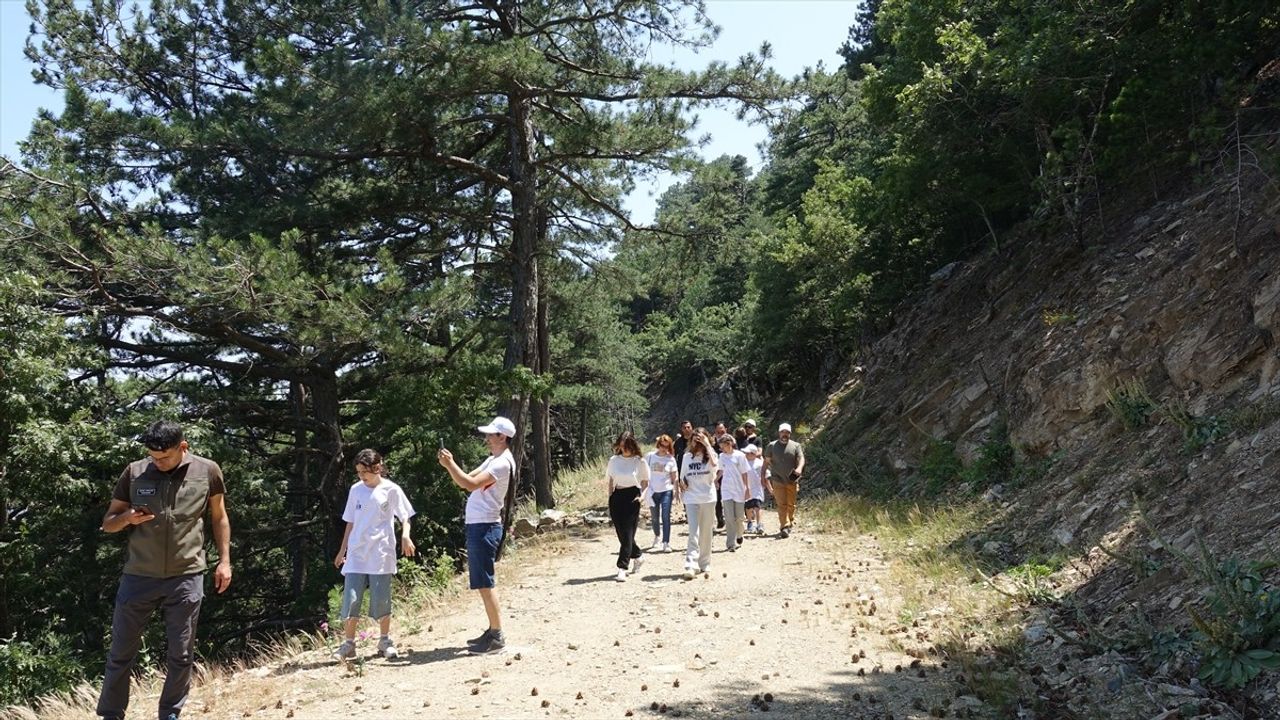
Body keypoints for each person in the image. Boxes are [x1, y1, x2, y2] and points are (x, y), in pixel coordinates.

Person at [97, 420, 232, 720]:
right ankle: (110, 714)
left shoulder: (208, 471)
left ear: (183, 447)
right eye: (152, 457)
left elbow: (219, 517)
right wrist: (127, 518)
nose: (156, 463)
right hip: (138, 577)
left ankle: (170, 714)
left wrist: (224, 561)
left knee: (181, 654)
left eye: (164, 457)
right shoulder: (134, 472)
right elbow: (108, 523)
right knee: (120, 653)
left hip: (186, 575)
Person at [438, 416, 516, 654]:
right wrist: (451, 467)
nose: (487, 438)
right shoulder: (494, 459)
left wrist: (450, 465)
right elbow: (466, 481)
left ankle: (497, 635)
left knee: (485, 583)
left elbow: (470, 484)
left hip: (485, 526)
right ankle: (493, 631)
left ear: (502, 437)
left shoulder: (501, 463)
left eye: (491, 435)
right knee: (483, 582)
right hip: (480, 525)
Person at [333, 449, 416, 661]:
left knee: (381, 598)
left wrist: (406, 536)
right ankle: (349, 644)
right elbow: (350, 521)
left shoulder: (391, 490)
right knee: (351, 598)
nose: (362, 476)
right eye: (359, 472)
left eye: (365, 472)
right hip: (357, 553)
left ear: (377, 468)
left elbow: (405, 516)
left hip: (381, 551)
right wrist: (342, 550)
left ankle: (385, 640)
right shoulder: (355, 490)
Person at [605, 431, 651, 581]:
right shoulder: (613, 460)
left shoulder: (639, 461)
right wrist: (610, 497)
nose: (624, 449)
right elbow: (611, 479)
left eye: (626, 446)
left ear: (632, 446)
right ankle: (638, 555)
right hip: (617, 497)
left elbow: (645, 481)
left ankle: (622, 567)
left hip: (632, 496)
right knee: (622, 533)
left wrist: (642, 496)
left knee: (628, 532)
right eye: (622, 446)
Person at [679, 431, 719, 580]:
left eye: (701, 439)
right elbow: (682, 477)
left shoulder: (711, 455)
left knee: (706, 532)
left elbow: (715, 465)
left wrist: (707, 444)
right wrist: (682, 485)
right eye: (696, 439)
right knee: (693, 531)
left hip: (708, 498)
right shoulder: (686, 457)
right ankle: (691, 564)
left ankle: (705, 562)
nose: (698, 442)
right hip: (691, 498)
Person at [763, 422, 806, 538]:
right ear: (779, 433)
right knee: (781, 504)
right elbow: (766, 462)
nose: (784, 434)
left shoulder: (796, 446)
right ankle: (784, 526)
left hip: (792, 479)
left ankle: (790, 520)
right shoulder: (771, 446)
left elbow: (801, 458)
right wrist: (762, 476)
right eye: (782, 432)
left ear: (790, 434)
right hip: (777, 479)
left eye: (787, 432)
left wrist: (799, 468)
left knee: (791, 504)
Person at [646, 435, 679, 551]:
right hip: (653, 491)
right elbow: (644, 473)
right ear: (658, 445)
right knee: (654, 517)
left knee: (666, 516)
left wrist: (676, 491)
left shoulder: (670, 459)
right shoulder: (650, 456)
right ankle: (657, 536)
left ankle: (666, 542)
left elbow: (674, 477)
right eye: (661, 445)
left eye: (666, 446)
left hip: (666, 490)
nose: (663, 448)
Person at [717, 435, 751, 551]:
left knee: (739, 517)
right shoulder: (721, 456)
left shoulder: (740, 455)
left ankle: (740, 534)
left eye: (723, 447)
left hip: (739, 489)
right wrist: (715, 480)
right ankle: (730, 543)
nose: (722, 449)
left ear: (729, 444)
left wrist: (747, 487)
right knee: (729, 517)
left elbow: (744, 472)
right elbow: (721, 470)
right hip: (726, 489)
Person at [743, 444, 766, 535]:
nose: (746, 454)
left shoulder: (759, 463)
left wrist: (766, 484)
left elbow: (765, 474)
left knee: (757, 506)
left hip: (757, 488)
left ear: (753, 454)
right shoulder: (743, 462)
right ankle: (749, 522)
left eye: (748, 453)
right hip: (746, 488)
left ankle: (759, 524)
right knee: (748, 507)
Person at [712, 421, 729, 529]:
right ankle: (720, 519)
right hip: (716, 474)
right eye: (718, 432)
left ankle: (729, 519)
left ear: (726, 430)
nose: (720, 434)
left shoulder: (731, 442)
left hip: (728, 474)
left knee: (728, 497)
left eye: (722, 431)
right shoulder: (712, 444)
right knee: (717, 498)